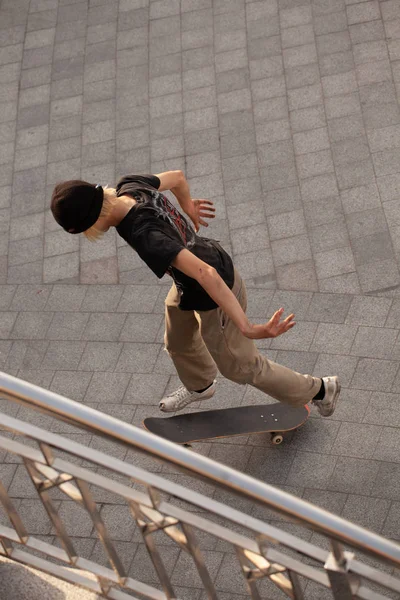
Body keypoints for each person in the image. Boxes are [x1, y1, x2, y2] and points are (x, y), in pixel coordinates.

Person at [50, 171, 340, 416]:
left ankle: (319, 389)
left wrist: (247, 327)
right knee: (177, 339)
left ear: (89, 222)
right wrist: (186, 205)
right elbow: (176, 177)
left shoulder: (144, 234)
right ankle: (200, 385)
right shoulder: (130, 186)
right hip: (190, 282)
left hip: (214, 291)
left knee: (241, 366)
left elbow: (207, 275)